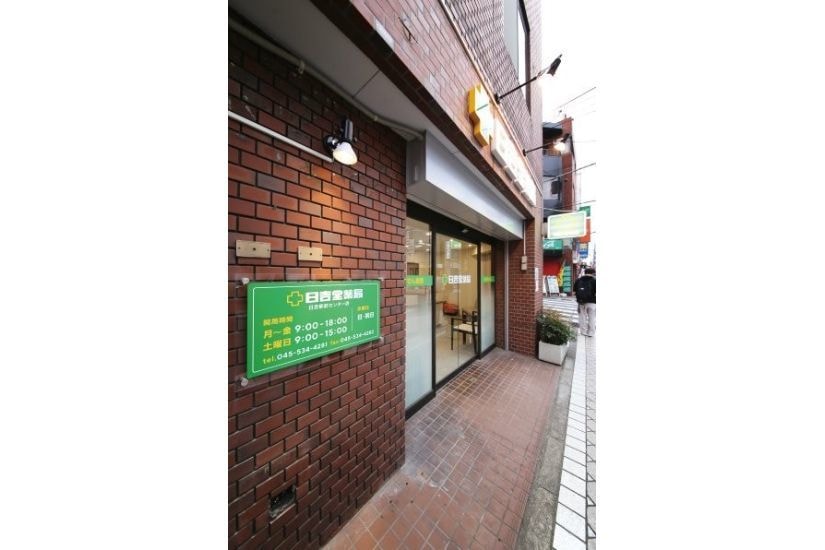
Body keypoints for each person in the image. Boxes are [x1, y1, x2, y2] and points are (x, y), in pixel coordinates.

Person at [573, 267, 596, 337]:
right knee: (592, 317)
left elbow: (574, 292)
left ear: (585, 272)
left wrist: (579, 298)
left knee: (582, 317)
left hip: (581, 302)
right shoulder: (595, 281)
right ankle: (591, 333)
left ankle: (583, 332)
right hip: (592, 302)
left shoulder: (578, 280)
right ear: (593, 273)